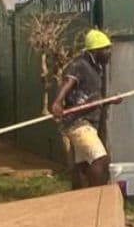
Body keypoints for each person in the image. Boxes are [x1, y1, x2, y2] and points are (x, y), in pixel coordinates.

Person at [50, 29, 119, 190]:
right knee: (100, 161)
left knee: (83, 168)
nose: (109, 53)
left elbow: (91, 99)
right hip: (78, 122)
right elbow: (68, 82)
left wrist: (110, 100)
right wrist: (58, 102)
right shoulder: (79, 65)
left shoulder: (97, 69)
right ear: (95, 51)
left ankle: (79, 199)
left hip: (88, 123)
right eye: (106, 49)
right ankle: (97, 198)